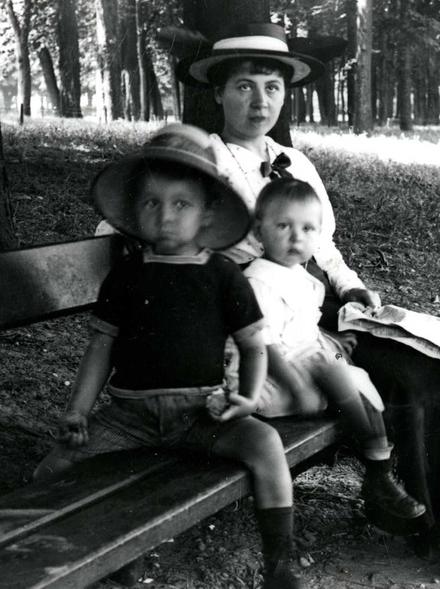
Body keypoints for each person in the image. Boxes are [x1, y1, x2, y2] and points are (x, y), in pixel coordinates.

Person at [176, 23, 440, 582]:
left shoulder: (294, 162)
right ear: (218, 93)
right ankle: (424, 520)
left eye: (272, 88)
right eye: (245, 87)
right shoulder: (202, 159)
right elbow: (146, 227)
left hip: (316, 306)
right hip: (255, 318)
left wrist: (350, 286)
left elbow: (322, 243)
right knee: (400, 377)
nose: (259, 101)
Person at [34, 124, 303, 589]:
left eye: (182, 204)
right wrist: (78, 410)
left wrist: (246, 397)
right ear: (136, 212)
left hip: (201, 414)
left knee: (265, 445)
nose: (167, 216)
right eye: (152, 203)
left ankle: (280, 559)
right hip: (128, 420)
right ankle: (78, 554)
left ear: (206, 213)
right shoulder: (125, 276)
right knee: (52, 468)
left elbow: (254, 344)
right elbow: (100, 347)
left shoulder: (222, 276)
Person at [246, 177, 426, 524]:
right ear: (258, 230)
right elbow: (264, 344)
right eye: (283, 226)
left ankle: (379, 465)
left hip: (310, 349)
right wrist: (297, 386)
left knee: (355, 372)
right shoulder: (259, 281)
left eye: (307, 228)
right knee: (340, 372)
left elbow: (301, 323)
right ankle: (378, 470)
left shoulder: (299, 275)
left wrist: (329, 335)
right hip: (281, 368)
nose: (296, 237)